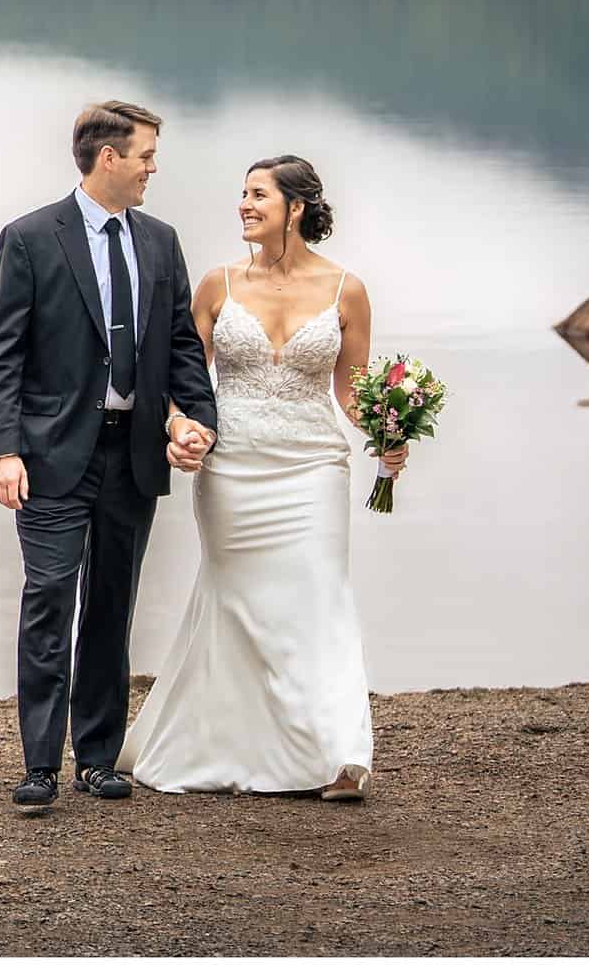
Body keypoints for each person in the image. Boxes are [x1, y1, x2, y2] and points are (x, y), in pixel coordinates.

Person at [117, 154, 405, 801]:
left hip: (313, 466)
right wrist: (178, 429)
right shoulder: (217, 285)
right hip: (234, 466)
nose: (244, 205)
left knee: (319, 599)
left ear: (294, 207)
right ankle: (231, 744)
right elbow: (181, 383)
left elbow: (352, 390)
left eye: (257, 194)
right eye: (242, 194)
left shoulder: (345, 290)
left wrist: (387, 432)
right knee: (237, 601)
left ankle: (338, 755)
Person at [0, 101, 218, 815]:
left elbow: (178, 344)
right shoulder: (28, 238)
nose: (153, 168)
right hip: (49, 457)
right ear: (107, 157)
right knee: (49, 598)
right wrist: (3, 451)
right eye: (145, 154)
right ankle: (41, 765)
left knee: (113, 605)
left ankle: (99, 757)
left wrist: (195, 419)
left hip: (132, 455)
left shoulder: (161, 241)